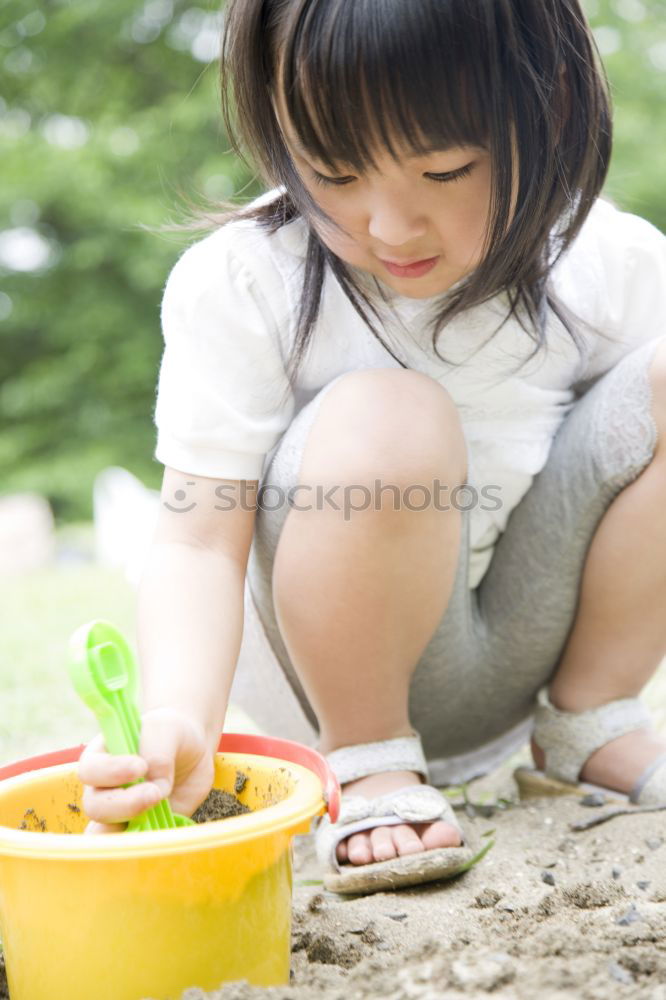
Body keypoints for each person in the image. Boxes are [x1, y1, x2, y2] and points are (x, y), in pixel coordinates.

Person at [78, 0, 666, 894]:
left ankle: (591, 721)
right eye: (334, 173)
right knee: (392, 414)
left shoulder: (603, 261)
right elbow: (198, 538)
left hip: (522, 641)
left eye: (443, 171)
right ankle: (369, 758)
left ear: (546, 112)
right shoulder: (248, 283)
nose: (388, 228)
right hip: (330, 672)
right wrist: (178, 714)